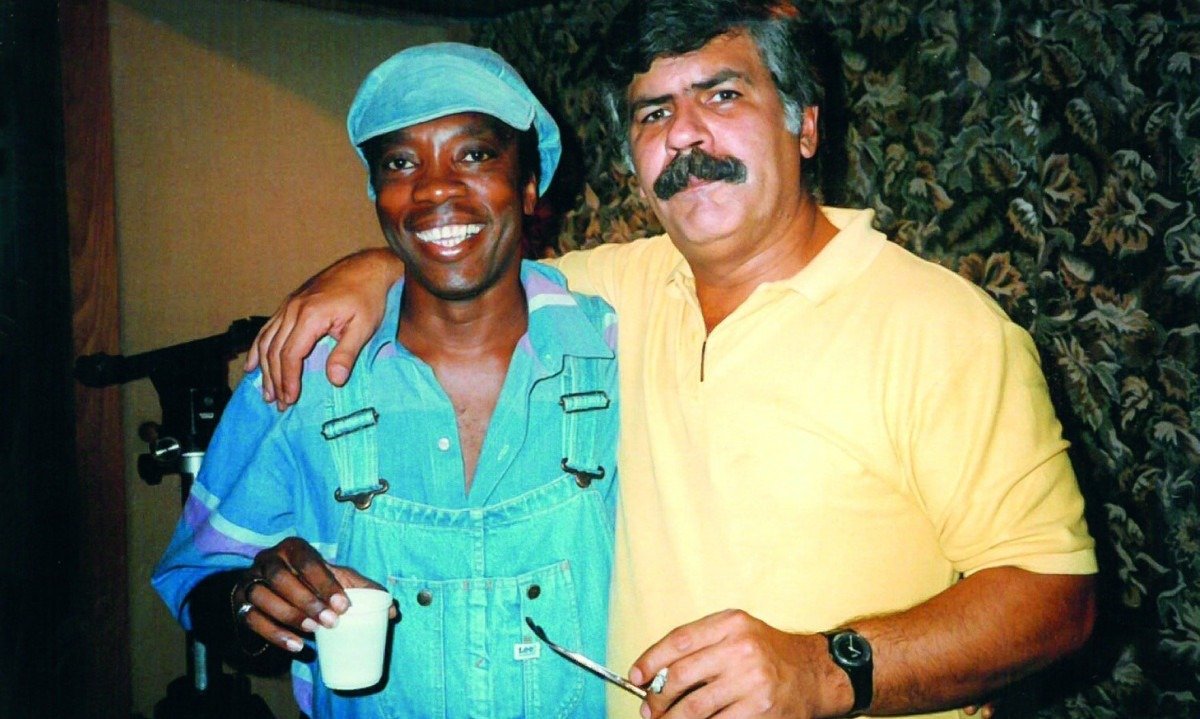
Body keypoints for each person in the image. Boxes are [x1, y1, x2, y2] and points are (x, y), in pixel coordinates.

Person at [247, 2, 1099, 718]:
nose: (685, 135)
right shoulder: (609, 295)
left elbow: (1057, 598)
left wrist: (825, 668)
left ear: (804, 125)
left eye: (722, 95)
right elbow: (466, 260)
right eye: (654, 112)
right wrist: (376, 268)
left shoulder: (941, 326)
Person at [152, 43, 620, 718]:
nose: (434, 188)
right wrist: (252, 603)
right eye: (402, 163)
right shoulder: (304, 375)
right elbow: (194, 577)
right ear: (378, 196)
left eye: (475, 154)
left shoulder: (616, 355)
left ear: (529, 184)